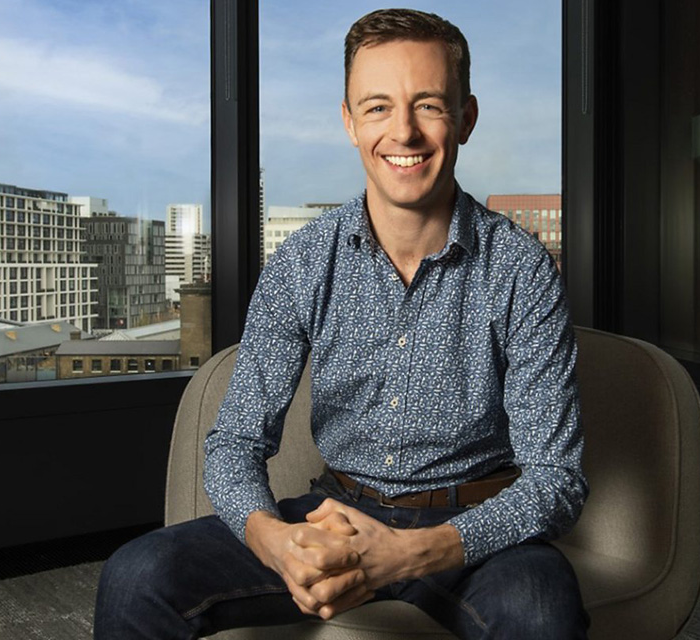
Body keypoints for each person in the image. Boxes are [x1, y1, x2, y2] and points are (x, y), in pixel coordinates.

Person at [95, 8, 589, 639]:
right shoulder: (302, 262)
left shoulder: (522, 268)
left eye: (429, 105)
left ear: (465, 117)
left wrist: (414, 552)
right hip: (337, 516)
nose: (403, 132)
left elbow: (557, 477)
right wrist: (276, 541)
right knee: (135, 576)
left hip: (476, 533)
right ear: (350, 122)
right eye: (378, 107)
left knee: (542, 614)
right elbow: (234, 442)